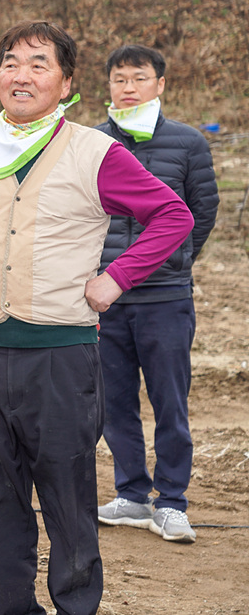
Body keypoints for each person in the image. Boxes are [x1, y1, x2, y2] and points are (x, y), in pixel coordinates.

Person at [0, 21, 193, 615]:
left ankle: (76, 606)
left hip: (60, 357)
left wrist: (114, 278)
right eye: (11, 62)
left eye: (38, 64)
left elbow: (172, 216)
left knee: (68, 501)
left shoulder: (95, 152)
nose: (21, 74)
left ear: (67, 83)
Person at [92, 45, 218, 544]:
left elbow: (201, 215)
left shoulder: (188, 144)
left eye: (138, 78)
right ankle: (130, 494)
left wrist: (176, 261)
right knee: (113, 402)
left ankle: (171, 502)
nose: (128, 87)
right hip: (104, 300)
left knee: (170, 402)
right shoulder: (91, 142)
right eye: (119, 78)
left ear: (159, 85)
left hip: (166, 297)